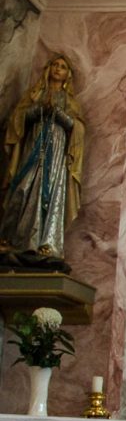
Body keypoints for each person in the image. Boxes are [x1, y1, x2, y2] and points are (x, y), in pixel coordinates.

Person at [0, 54, 85, 267]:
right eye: (55, 65)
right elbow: (18, 119)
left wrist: (58, 114)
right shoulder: (35, 94)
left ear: (67, 75)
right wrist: (39, 109)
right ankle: (15, 239)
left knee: (51, 193)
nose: (58, 69)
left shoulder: (69, 101)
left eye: (62, 67)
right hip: (33, 146)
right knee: (23, 186)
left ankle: (46, 243)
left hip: (55, 153)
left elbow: (77, 128)